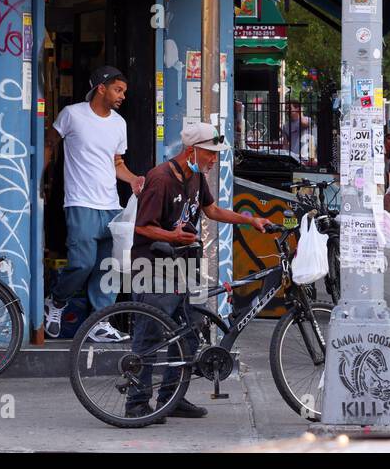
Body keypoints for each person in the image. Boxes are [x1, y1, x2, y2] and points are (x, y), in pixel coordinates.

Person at [125, 123, 280, 421]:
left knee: (191, 332)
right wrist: (174, 237)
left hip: (185, 265)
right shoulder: (160, 179)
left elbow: (212, 210)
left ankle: (172, 398)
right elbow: (142, 227)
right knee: (150, 336)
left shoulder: (195, 176)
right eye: (210, 153)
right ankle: (136, 403)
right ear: (191, 150)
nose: (213, 160)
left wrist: (251, 220)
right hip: (155, 266)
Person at [43, 66, 146, 342]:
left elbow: (116, 163)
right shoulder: (72, 114)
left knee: (108, 267)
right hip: (80, 202)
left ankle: (100, 323)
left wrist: (134, 179)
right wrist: (39, 178)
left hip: (111, 205)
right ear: (101, 88)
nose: (122, 96)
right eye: (118, 90)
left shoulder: (119, 123)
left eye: (123, 91)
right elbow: (49, 142)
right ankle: (56, 301)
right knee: (82, 263)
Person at [280, 100, 314, 164]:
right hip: (293, 158)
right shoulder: (285, 126)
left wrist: (300, 112)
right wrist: (285, 157)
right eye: (286, 108)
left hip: (305, 158)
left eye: (289, 108)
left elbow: (304, 124)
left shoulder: (307, 120)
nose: (287, 110)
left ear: (297, 109)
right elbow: (285, 144)